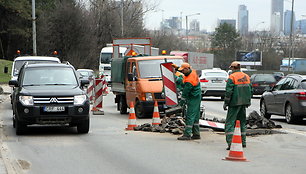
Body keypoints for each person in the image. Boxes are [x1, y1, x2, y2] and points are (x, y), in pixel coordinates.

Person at [223, 61, 252, 150]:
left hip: (234, 103)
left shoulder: (232, 77)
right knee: (242, 122)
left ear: (233, 68)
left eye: (231, 68)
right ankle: (243, 142)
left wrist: (226, 103)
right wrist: (248, 101)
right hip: (243, 103)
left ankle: (230, 143)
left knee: (230, 123)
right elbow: (250, 90)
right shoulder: (246, 76)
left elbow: (229, 92)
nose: (231, 70)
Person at [172, 63, 202, 140]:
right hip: (197, 96)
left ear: (187, 69)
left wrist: (181, 103)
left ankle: (187, 134)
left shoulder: (189, 81)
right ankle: (196, 134)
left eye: (183, 70)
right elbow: (184, 71)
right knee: (195, 116)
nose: (182, 72)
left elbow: (185, 93)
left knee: (190, 115)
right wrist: (177, 67)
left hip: (193, 97)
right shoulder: (192, 71)